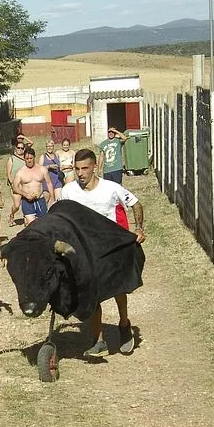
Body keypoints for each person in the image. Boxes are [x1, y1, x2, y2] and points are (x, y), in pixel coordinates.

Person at [60, 149, 145, 357]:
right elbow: (62, 216)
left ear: (94, 167)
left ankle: (124, 325)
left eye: (84, 168)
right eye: (77, 169)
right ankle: (99, 340)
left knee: (118, 288)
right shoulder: (69, 191)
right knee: (92, 293)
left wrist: (139, 228)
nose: (80, 173)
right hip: (85, 249)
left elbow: (135, 204)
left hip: (111, 245)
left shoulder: (111, 188)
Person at [11, 147, 54, 226]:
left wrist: (52, 198)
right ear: (24, 159)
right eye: (27, 158)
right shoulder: (20, 172)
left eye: (31, 158)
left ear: (34, 157)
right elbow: (15, 187)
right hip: (27, 202)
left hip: (40, 200)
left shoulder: (42, 169)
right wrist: (25, 195)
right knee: (32, 225)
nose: (29, 160)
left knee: (43, 224)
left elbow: (49, 183)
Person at [6, 139, 28, 227]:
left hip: (25, 185)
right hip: (15, 185)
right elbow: (8, 173)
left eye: (22, 148)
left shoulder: (26, 159)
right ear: (15, 148)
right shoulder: (12, 158)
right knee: (17, 204)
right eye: (18, 148)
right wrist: (12, 184)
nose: (20, 149)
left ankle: (26, 219)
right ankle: (11, 215)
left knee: (26, 203)